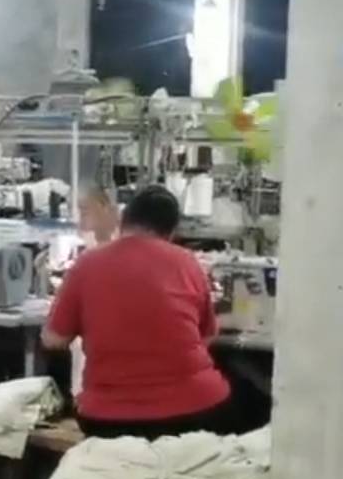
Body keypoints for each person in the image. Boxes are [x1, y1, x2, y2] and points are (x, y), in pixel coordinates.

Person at [41, 183, 231, 439]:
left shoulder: (87, 263)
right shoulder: (188, 262)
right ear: (171, 232)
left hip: (108, 418)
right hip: (194, 411)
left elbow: (54, 340)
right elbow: (206, 335)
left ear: (123, 220)